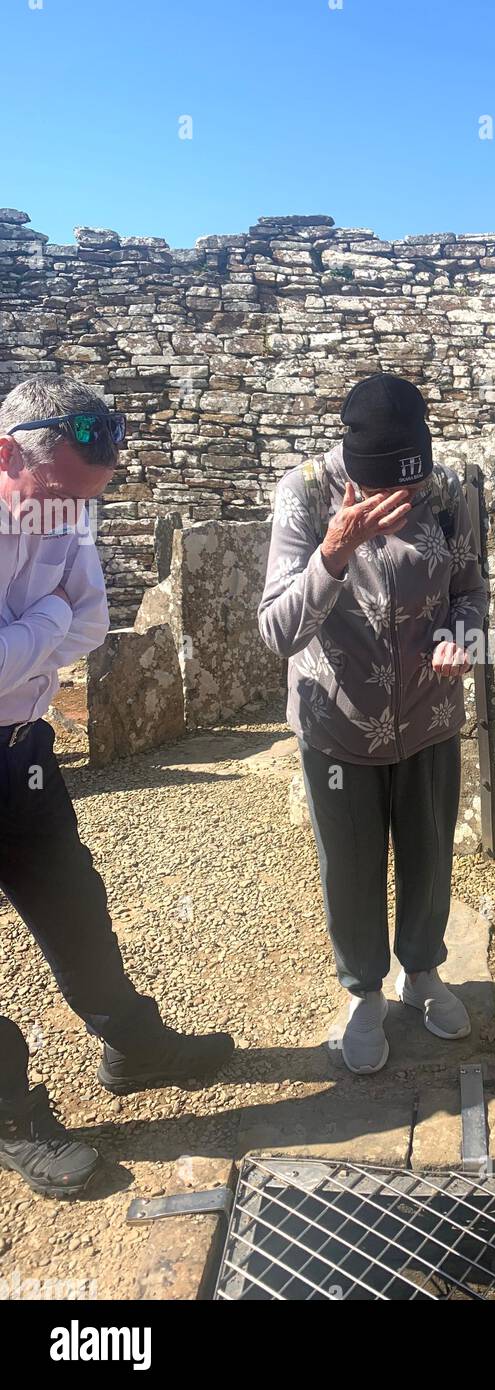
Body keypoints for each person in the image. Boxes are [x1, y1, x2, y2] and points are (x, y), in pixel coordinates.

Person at [0, 376, 234, 1199]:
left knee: (76, 906)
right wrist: (49, 628)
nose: (72, 518)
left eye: (86, 503)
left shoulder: (65, 510)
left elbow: (96, 621)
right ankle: (9, 1115)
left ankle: (133, 1048)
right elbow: (59, 631)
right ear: (5, 455)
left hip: (23, 750)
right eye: (61, 497)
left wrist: (34, 635)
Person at [259, 373, 487, 1075]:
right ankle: (362, 993)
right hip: (338, 724)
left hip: (429, 715)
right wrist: (332, 555)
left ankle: (419, 974)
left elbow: (472, 591)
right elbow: (276, 633)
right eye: (390, 486)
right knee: (351, 867)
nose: (404, 499)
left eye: (412, 486)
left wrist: (463, 642)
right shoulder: (302, 493)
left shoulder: (451, 492)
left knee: (428, 854)